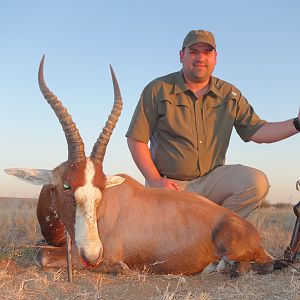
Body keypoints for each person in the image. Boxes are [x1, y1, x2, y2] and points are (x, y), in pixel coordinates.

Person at [126, 29, 300, 218]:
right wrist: (155, 180)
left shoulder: (230, 94)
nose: (201, 57)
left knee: (255, 182)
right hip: (170, 186)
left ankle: (215, 233)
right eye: (194, 51)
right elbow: (137, 139)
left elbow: (259, 131)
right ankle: (196, 233)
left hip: (211, 181)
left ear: (215, 58)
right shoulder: (157, 89)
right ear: (181, 55)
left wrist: (297, 124)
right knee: (161, 242)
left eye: (207, 52)